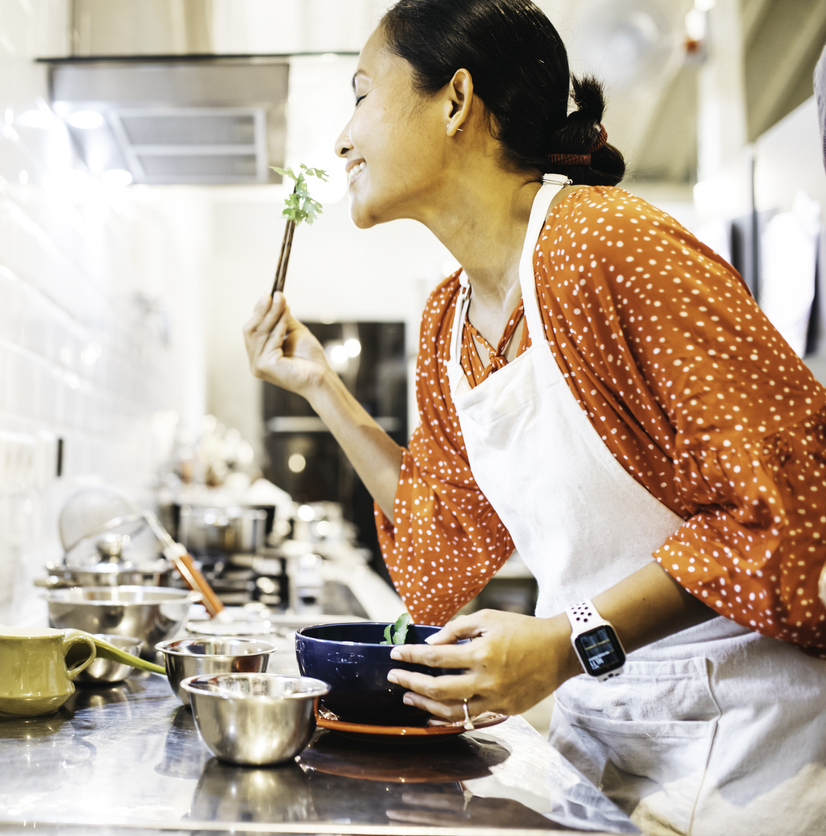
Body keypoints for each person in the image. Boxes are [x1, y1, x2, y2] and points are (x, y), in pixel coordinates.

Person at [243, 2, 826, 834]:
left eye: (362, 94)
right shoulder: (449, 319)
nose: (342, 137)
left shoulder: (613, 245)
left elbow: (788, 511)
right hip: (601, 735)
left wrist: (565, 641)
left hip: (745, 749)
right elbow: (435, 553)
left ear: (455, 101)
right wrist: (321, 391)